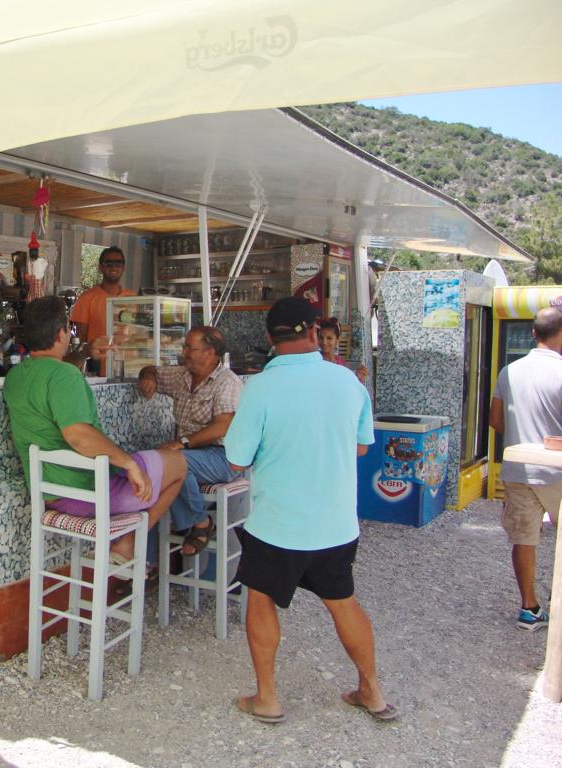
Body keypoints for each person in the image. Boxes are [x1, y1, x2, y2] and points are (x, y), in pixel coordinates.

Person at [224, 297, 395, 724]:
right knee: (343, 603)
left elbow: (237, 459)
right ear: (315, 332)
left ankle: (268, 698)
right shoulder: (348, 383)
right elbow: (361, 447)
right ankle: (372, 692)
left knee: (260, 599)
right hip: (335, 524)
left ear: (269, 338)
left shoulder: (259, 387)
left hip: (276, 524)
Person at [3, 296, 187, 563]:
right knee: (178, 464)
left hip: (51, 494)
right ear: (61, 333)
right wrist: (128, 464)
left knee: (148, 462)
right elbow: (78, 435)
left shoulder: (16, 376)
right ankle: (127, 544)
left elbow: (52, 377)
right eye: (68, 328)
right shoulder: (64, 376)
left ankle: (126, 545)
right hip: (88, 494)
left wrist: (84, 353)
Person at [137, 326, 242, 556]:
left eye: (189, 348)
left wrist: (182, 442)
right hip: (190, 454)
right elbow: (150, 369)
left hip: (222, 456)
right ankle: (149, 561)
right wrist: (148, 377)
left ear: (209, 352)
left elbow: (223, 425)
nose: (184, 352)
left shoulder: (227, 381)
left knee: (172, 463)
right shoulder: (181, 375)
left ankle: (200, 522)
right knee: (152, 472)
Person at [488, 306, 562, 631]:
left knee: (524, 538)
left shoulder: (509, 371)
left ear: (533, 333)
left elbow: (495, 420)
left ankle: (529, 608)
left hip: (518, 470)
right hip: (557, 471)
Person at [70, 247, 136, 372]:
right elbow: (81, 340)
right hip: (98, 368)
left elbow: (138, 334)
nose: (114, 267)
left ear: (123, 267)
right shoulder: (87, 298)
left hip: (129, 368)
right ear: (100, 267)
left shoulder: (133, 297)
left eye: (118, 263)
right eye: (108, 263)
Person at [318, 317, 368, 384]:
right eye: (321, 338)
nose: (324, 342)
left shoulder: (342, 365)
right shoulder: (314, 361)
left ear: (337, 340)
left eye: (329, 338)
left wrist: (358, 378)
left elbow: (347, 386)